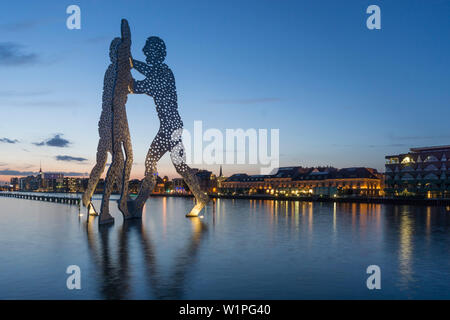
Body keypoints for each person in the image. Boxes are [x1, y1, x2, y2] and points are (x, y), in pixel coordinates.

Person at [128, 36, 209, 217]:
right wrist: (133, 64)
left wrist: (128, 81)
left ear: (156, 53)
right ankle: (200, 196)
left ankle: (138, 205)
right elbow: (148, 71)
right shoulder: (161, 70)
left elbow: (144, 85)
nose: (146, 55)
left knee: (150, 162)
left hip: (169, 128)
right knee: (180, 166)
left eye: (148, 52)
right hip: (173, 125)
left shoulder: (163, 73)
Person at [83, 19, 133, 224]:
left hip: (106, 119)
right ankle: (106, 209)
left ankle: (88, 198)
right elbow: (128, 90)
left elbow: (128, 88)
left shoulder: (110, 71)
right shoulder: (119, 71)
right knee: (122, 159)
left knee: (104, 161)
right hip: (115, 118)